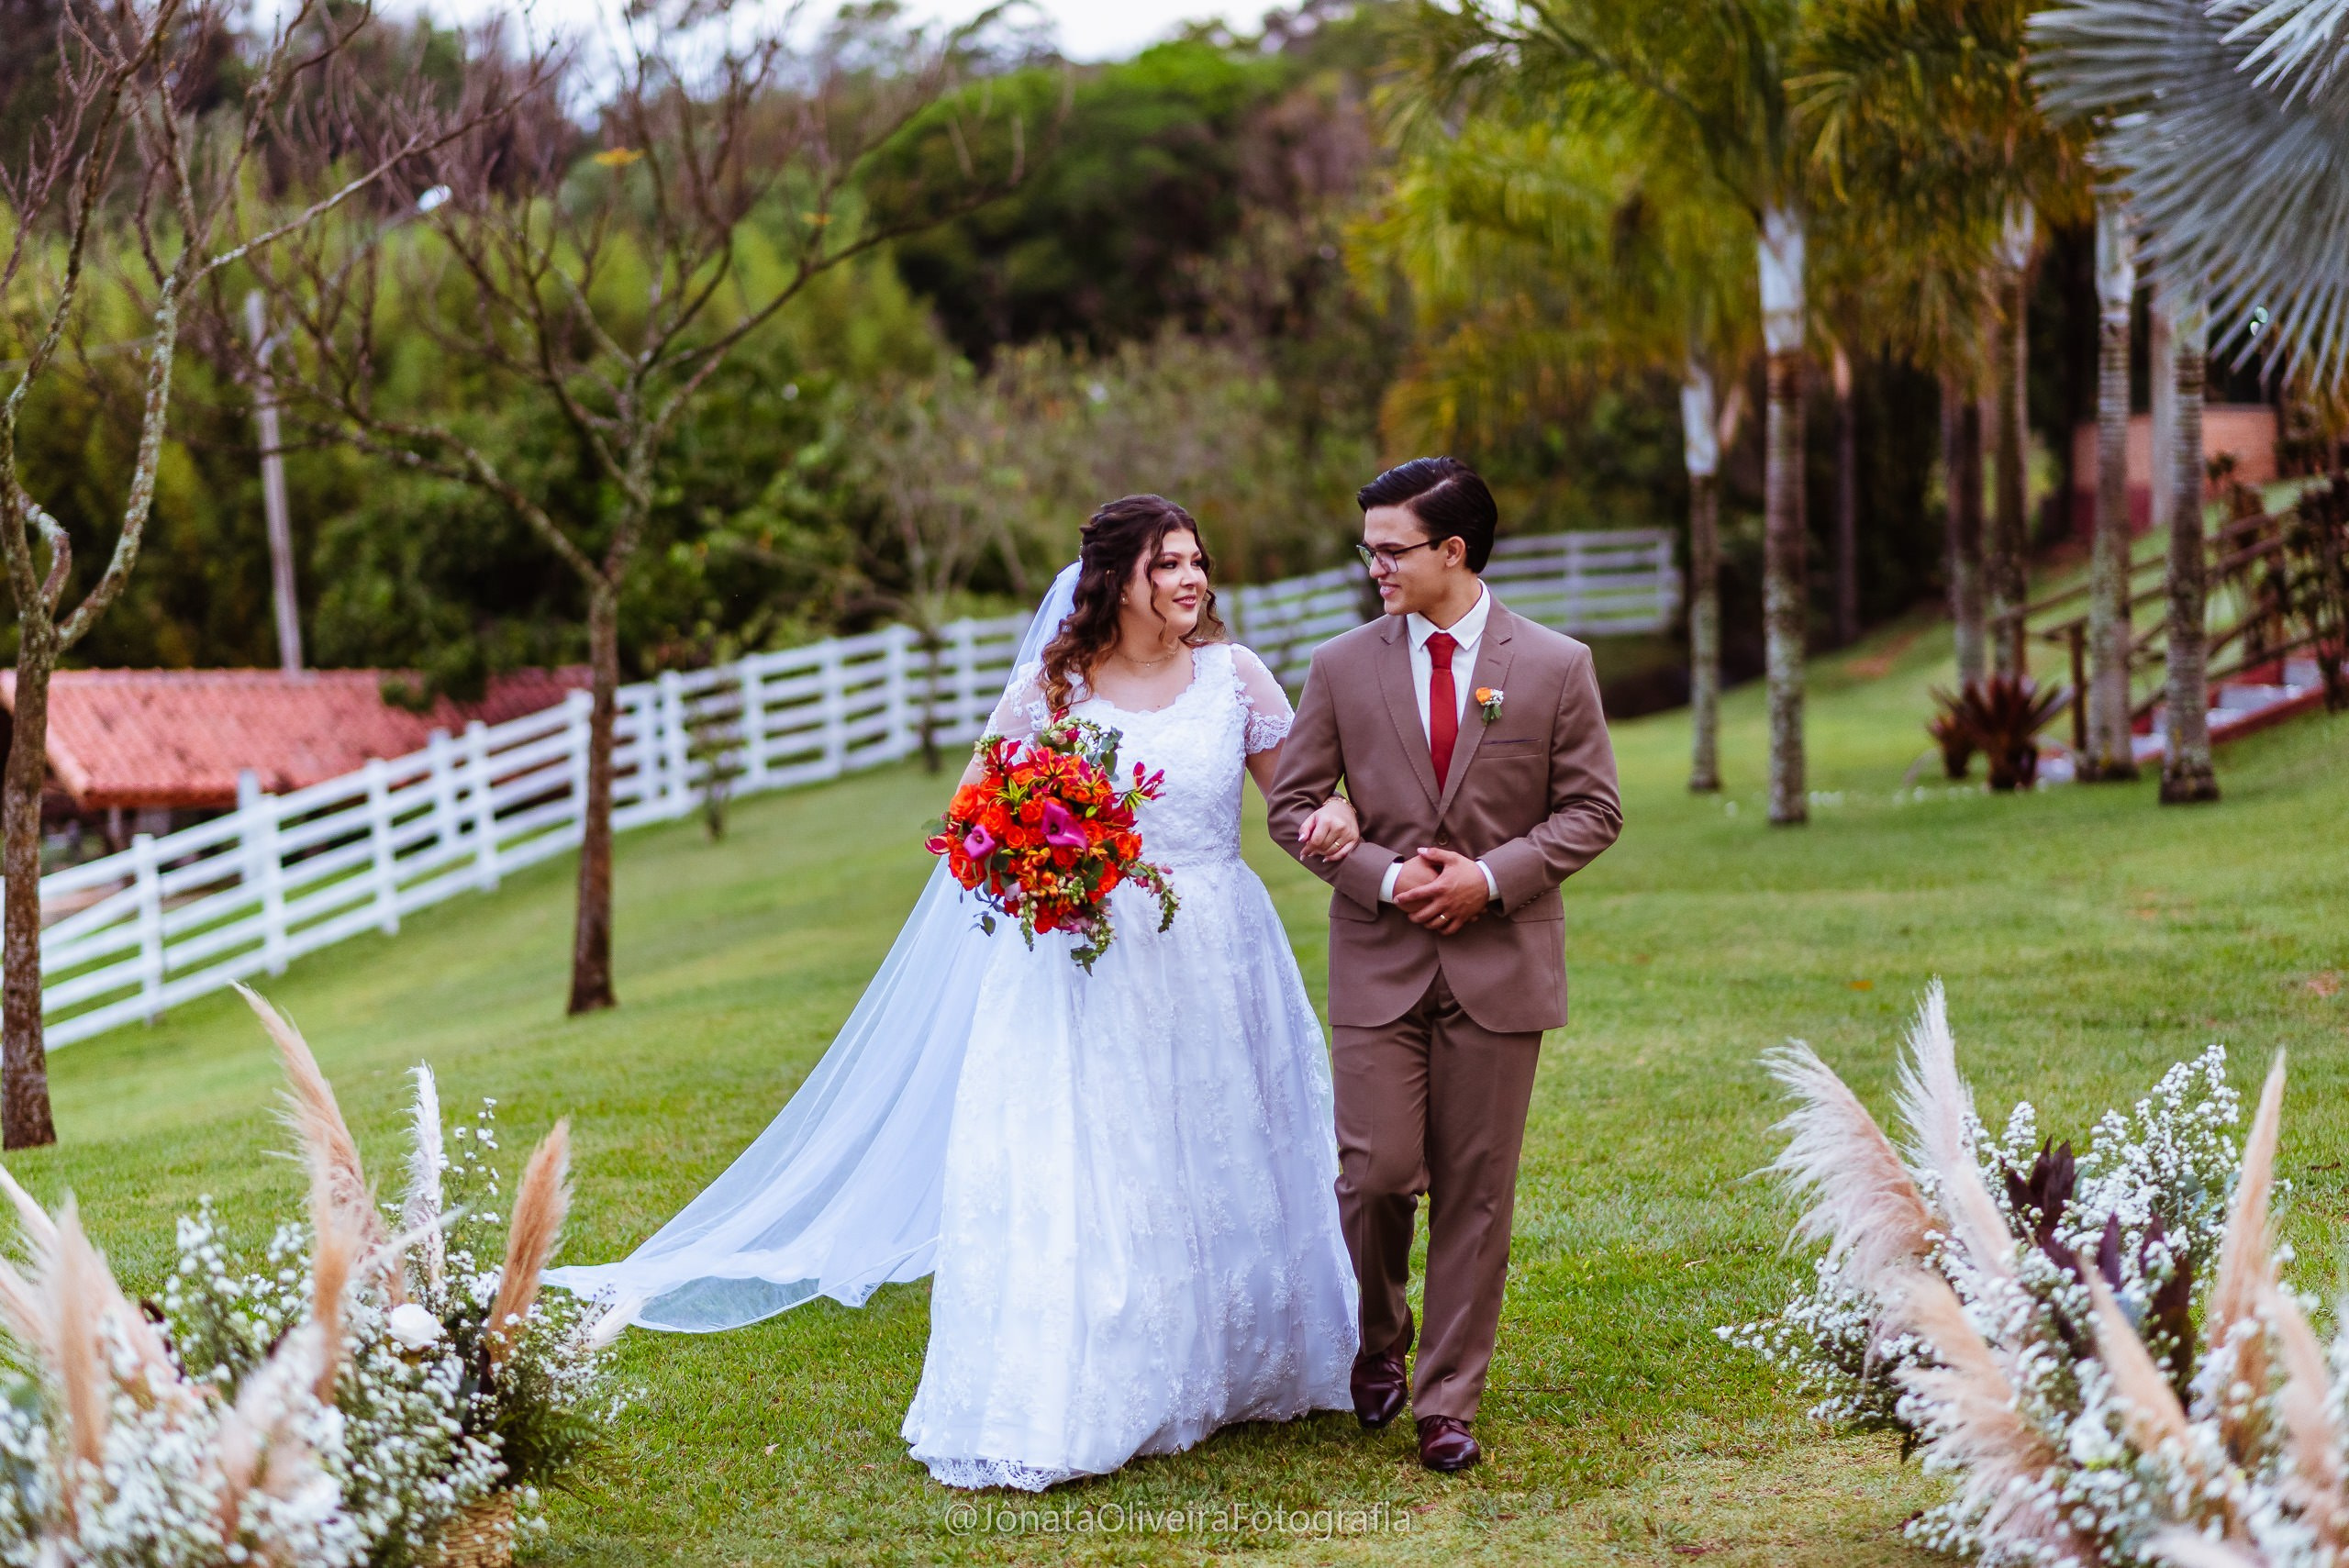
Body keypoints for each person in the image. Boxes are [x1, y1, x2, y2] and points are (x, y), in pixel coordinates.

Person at [552, 494, 1364, 1492]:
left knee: (1224, 1142)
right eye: (1168, 565)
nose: (1191, 580)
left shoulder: (1233, 675)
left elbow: (1292, 804)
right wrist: (1048, 853)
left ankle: (1248, 1360)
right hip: (1088, 955)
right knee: (1107, 1158)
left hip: (1218, 948)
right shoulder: (1053, 686)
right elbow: (975, 814)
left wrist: (1341, 828)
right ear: (1115, 579)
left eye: (1197, 561)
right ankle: (1111, 1371)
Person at [1267, 456, 1622, 1473]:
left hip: (1500, 964)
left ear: (1451, 551)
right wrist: (1379, 876)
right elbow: (1292, 804)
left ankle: (1445, 1400)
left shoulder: (1556, 665)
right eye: (1368, 548)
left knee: (1475, 1188)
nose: (1373, 564)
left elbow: (1593, 809)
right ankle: (1378, 1333)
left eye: (1391, 548)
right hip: (1378, 961)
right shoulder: (1339, 666)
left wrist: (1489, 877)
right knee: (1374, 1174)